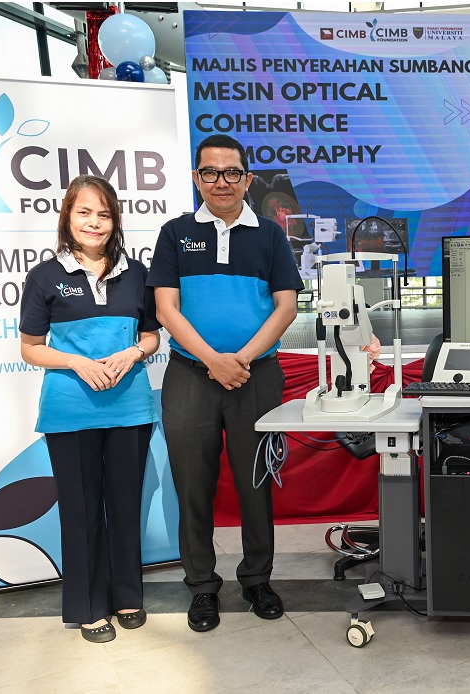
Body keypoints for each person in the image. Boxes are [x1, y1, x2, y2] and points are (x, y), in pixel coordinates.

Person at [146, 134, 305, 631]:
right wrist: (213, 360)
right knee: (192, 486)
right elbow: (166, 309)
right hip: (190, 376)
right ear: (197, 178)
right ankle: (201, 587)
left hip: (256, 375)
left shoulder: (270, 236)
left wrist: (241, 359)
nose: (222, 181)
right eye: (210, 172)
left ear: (247, 179)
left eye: (232, 172)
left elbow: (286, 307)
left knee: (256, 482)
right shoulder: (175, 234)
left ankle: (257, 579)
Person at [18, 175, 161, 643]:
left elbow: (151, 335)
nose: (94, 223)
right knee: (81, 512)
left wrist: (133, 353)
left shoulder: (137, 274)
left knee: (125, 505)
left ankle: (127, 595)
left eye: (103, 214)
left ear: (115, 221)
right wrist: (76, 361)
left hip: (129, 408)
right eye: (84, 213)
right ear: (68, 217)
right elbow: (30, 348)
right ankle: (88, 606)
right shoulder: (44, 276)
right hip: (70, 410)